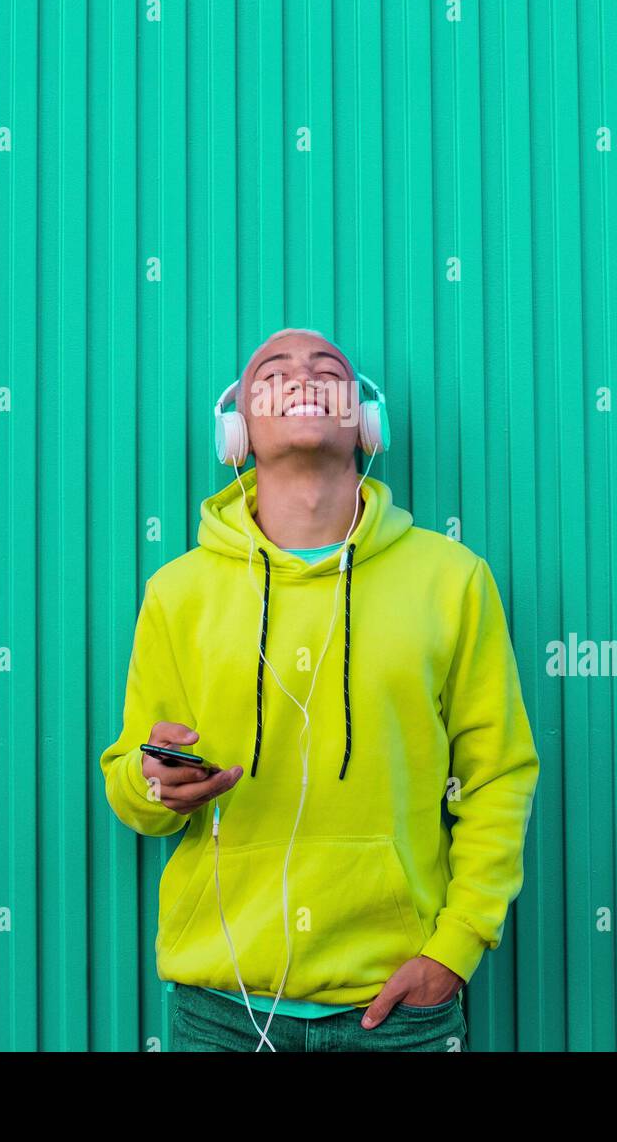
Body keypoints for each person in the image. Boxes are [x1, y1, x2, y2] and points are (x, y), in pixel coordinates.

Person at [99, 328, 539, 1052]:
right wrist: (155, 785)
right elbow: (131, 781)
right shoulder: (177, 593)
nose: (303, 377)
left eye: (328, 370)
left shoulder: (453, 579)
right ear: (236, 428)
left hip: (400, 1009)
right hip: (221, 1009)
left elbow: (498, 775)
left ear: (366, 422)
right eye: (272, 372)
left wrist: (455, 948)